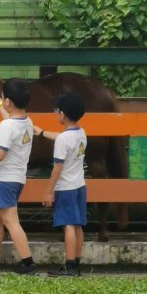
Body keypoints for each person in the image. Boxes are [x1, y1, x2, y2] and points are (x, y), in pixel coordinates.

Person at [0, 78, 38, 275]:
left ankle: (28, 263)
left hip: (4, 179)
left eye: (4, 97)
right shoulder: (26, 122)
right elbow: (10, 123)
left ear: (9, 102)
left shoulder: (7, 127)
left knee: (10, 221)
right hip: (15, 178)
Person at [34, 93, 87, 277]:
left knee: (68, 226)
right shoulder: (80, 133)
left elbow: (57, 167)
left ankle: (69, 265)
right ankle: (76, 262)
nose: (55, 114)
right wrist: (41, 133)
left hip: (65, 188)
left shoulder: (63, 140)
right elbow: (63, 137)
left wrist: (48, 191)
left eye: (56, 111)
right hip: (79, 185)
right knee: (77, 224)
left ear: (62, 114)